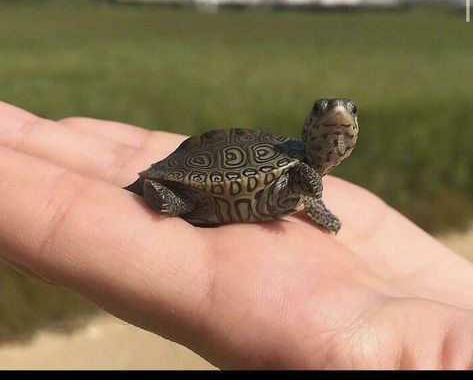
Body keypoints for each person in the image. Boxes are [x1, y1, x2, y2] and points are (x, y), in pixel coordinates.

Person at [0, 100, 471, 370]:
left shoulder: (302, 171)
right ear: (310, 130)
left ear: (347, 143)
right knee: (176, 203)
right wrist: (319, 208)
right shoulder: (303, 173)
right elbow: (308, 189)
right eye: (324, 117)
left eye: (343, 123)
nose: (334, 121)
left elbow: (307, 189)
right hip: (202, 185)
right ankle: (160, 192)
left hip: (223, 193)